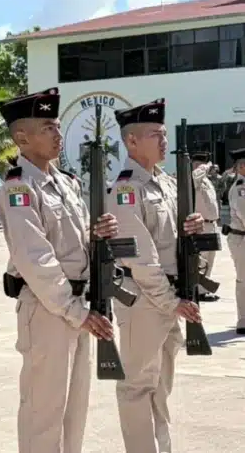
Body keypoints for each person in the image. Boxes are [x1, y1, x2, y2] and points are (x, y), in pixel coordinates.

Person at [0, 87, 119, 453]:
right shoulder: (19, 188)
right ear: (22, 138)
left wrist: (99, 235)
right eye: (48, 127)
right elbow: (36, 260)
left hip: (78, 306)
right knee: (44, 413)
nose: (58, 134)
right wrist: (75, 311)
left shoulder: (67, 183)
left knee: (74, 411)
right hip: (49, 309)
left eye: (58, 126)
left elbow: (74, 245)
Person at [106, 98, 205, 453]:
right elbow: (141, 258)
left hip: (170, 298)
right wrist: (170, 301)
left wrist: (192, 226)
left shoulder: (166, 183)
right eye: (155, 134)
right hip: (145, 301)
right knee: (136, 388)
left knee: (162, 387)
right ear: (132, 141)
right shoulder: (126, 189)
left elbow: (172, 242)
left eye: (164, 134)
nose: (164, 140)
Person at [191, 152, 221, 302]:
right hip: (201, 226)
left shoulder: (206, 181)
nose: (200, 167)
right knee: (201, 261)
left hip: (212, 225)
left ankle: (204, 290)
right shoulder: (193, 179)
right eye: (197, 164)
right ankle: (198, 290)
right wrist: (203, 167)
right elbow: (195, 177)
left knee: (210, 258)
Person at [224, 147, 245, 335]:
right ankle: (243, 320)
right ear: (241, 167)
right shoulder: (240, 188)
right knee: (243, 280)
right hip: (241, 239)